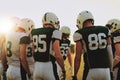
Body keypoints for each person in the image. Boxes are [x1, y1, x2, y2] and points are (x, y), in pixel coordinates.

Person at [72, 10, 113, 80]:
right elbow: (110, 53)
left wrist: (75, 74)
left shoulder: (80, 33)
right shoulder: (105, 30)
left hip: (90, 70)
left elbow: (78, 58)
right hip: (106, 70)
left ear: (80, 21)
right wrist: (111, 71)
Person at [31, 12, 65, 80]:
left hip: (37, 67)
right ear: (53, 21)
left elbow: (32, 51)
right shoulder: (55, 32)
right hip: (49, 67)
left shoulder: (34, 32)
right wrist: (63, 69)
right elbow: (58, 55)